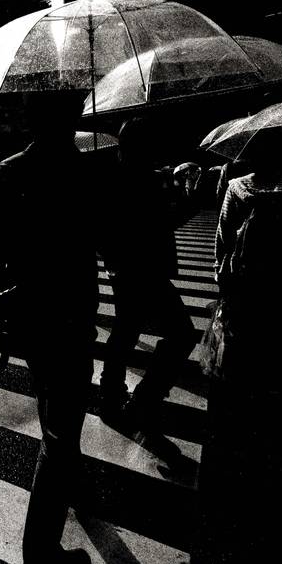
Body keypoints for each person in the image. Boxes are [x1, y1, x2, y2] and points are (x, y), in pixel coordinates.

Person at [194, 130, 282, 563]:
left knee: (235, 405)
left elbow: (220, 256)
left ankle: (231, 497)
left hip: (244, 314)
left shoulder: (239, 190)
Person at [0, 92, 112, 564]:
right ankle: (39, 550)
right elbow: (103, 237)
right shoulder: (84, 173)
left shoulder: (9, 172)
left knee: (54, 409)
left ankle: (71, 486)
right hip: (72, 311)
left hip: (30, 315)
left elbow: (3, 256)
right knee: (61, 433)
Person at [98, 118, 197, 460]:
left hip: (125, 269)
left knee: (126, 329)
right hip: (143, 270)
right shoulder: (136, 180)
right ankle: (142, 398)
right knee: (182, 333)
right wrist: (187, 200)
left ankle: (112, 396)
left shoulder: (119, 176)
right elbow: (162, 222)